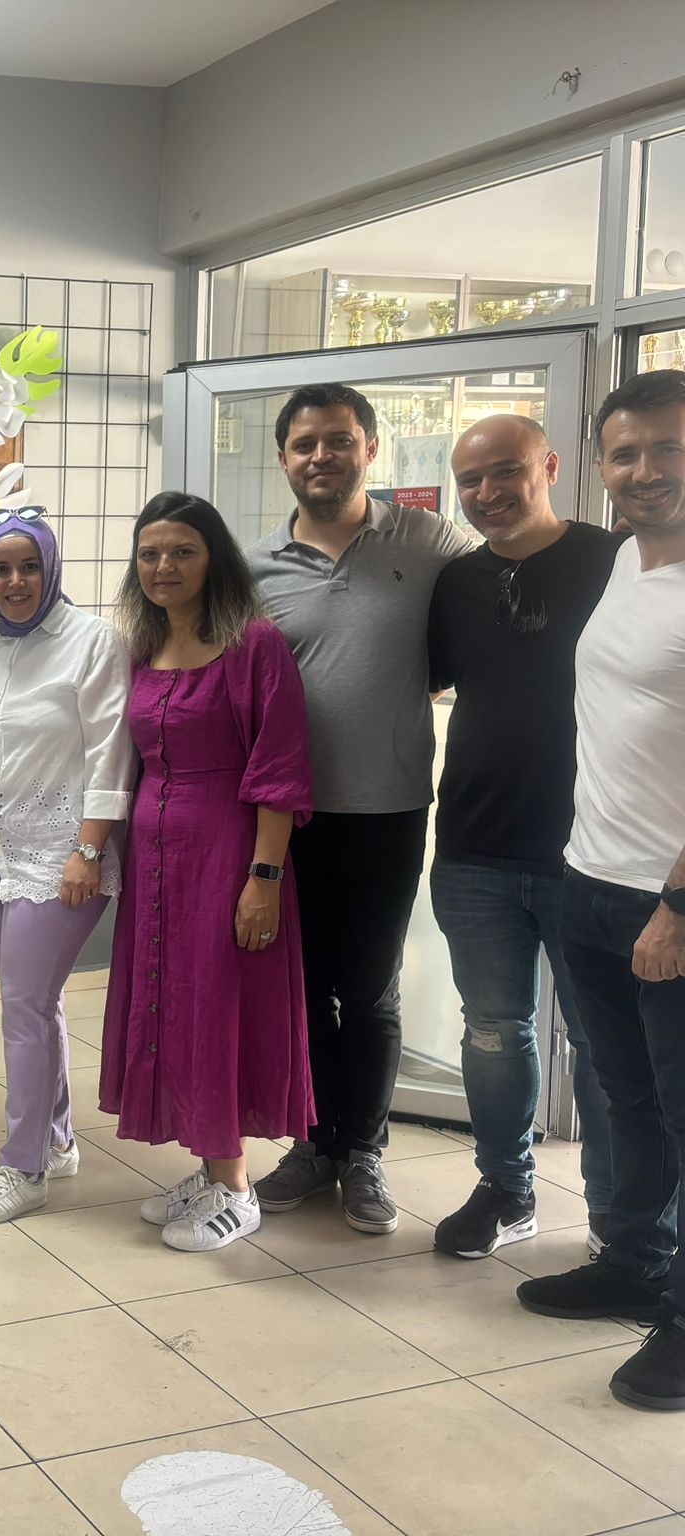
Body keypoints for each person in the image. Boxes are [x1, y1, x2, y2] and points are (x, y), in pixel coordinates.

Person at [248, 383, 470, 1236]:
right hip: (286, 817)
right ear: (283, 458)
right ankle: (314, 1146)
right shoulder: (256, 568)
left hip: (388, 810)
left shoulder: (429, 541)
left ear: (370, 448)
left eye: (338, 440)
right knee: (302, 991)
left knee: (370, 991)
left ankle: (365, 1153)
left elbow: (487, 605)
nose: (321, 457)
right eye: (305, 444)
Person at [515, 369, 685, 1412]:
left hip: (668, 902)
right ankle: (633, 1264)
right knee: (625, 1100)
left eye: (667, 448)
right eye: (625, 453)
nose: (644, 470)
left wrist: (676, 907)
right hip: (590, 878)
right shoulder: (627, 558)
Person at [425, 416, 624, 1260]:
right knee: (493, 1031)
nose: (487, 492)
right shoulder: (456, 582)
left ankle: (623, 1224)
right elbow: (426, 681)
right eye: (470, 480)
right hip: (475, 847)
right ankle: (506, 1191)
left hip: (595, 854)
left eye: (505, 471)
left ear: (549, 466)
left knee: (607, 1048)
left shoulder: (615, 561)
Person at [102, 493, 316, 1252]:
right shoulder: (144, 645)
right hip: (156, 858)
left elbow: (280, 771)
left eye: (183, 551)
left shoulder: (254, 644)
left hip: (227, 850)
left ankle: (236, 1187)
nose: (164, 566)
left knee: (219, 1007)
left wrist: (264, 878)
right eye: (150, 553)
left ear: (214, 559)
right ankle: (208, 1163)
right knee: (174, 1004)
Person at [0, 509, 134, 1225]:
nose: (16, 581)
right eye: (1, 569)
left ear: (51, 569)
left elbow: (111, 752)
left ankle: (22, 1166)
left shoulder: (92, 641)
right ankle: (55, 1138)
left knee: (23, 1006)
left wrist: (88, 849)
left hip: (63, 856)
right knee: (38, 1000)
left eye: (30, 566)